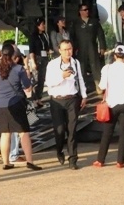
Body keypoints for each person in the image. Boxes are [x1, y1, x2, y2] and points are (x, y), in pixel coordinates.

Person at [0, 42, 43, 171]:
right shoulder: (18, 69)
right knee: (23, 133)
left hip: (0, 104)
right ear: (14, 55)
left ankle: (6, 162)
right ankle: (30, 161)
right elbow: (27, 87)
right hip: (16, 103)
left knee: (5, 134)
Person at [45, 39, 87, 169]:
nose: (68, 52)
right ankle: (59, 150)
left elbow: (80, 78)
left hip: (72, 99)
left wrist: (84, 95)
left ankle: (73, 159)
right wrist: (62, 76)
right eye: (65, 50)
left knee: (72, 130)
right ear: (60, 51)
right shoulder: (52, 64)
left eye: (70, 49)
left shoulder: (75, 62)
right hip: (57, 100)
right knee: (60, 130)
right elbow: (49, 82)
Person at [93, 44, 124, 168]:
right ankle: (120, 161)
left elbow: (102, 87)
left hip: (110, 104)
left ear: (115, 56)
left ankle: (100, 160)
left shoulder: (107, 68)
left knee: (107, 132)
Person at [71, 3, 107, 90]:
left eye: (88, 9)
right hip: (81, 48)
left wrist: (102, 47)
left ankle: (98, 85)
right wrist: (73, 49)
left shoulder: (94, 22)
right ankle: (82, 87)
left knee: (95, 66)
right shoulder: (76, 23)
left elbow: (100, 35)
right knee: (81, 67)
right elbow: (72, 37)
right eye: (85, 10)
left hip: (92, 47)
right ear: (80, 12)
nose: (87, 11)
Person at [28, 17, 53, 102]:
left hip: (44, 57)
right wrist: (33, 62)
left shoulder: (45, 35)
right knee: (36, 79)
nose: (44, 26)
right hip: (37, 58)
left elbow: (46, 46)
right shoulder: (33, 36)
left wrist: (48, 50)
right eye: (42, 24)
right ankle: (34, 99)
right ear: (38, 26)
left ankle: (39, 98)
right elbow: (31, 50)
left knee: (42, 79)